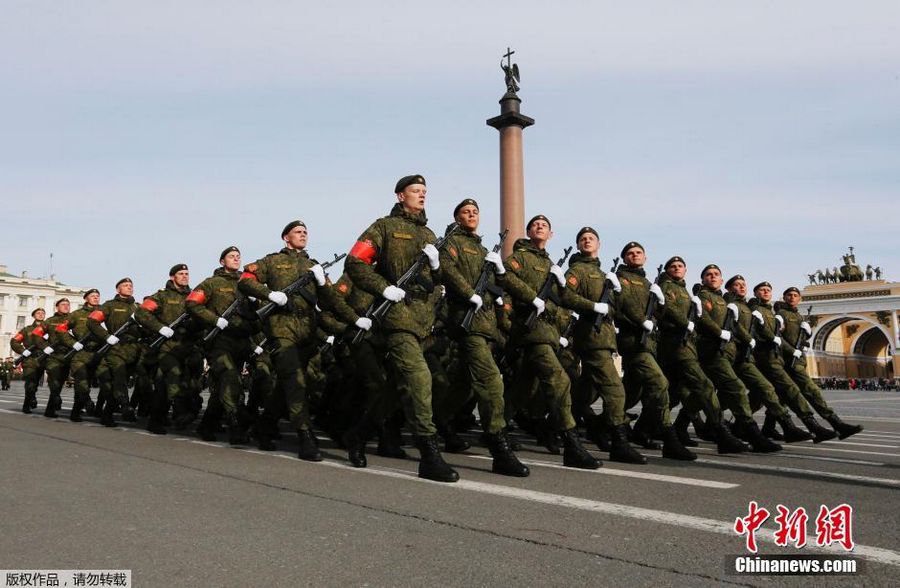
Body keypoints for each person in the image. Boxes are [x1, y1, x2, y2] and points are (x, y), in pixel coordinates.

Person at [345, 174, 462, 482]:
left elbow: (440, 282)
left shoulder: (430, 234)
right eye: (415, 191)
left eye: (424, 191)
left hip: (425, 320)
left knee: (396, 388)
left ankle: (358, 434)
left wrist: (437, 267)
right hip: (397, 318)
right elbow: (354, 263)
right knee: (420, 379)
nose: (421, 195)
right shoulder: (383, 227)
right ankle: (429, 454)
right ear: (400, 196)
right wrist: (383, 288)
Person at [434, 198, 529, 476]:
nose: (472, 215)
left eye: (475, 212)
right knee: (491, 382)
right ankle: (498, 446)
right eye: (466, 211)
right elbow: (448, 271)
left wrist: (499, 271)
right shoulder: (452, 243)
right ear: (457, 216)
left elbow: (501, 286)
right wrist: (469, 293)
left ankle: (438, 419)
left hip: (486, 325)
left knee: (463, 385)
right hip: (467, 324)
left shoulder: (484, 248)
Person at [501, 214, 600, 469]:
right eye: (535, 225)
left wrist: (594, 306)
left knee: (523, 389)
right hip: (530, 331)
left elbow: (565, 298)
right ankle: (571, 443)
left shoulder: (551, 265)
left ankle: (497, 429)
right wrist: (531, 296)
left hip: (548, 333)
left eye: (544, 226)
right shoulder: (520, 257)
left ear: (551, 234)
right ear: (528, 231)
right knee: (559, 380)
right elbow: (504, 278)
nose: (540, 228)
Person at [239, 220, 334, 459]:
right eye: (297, 232)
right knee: (295, 382)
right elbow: (245, 279)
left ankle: (265, 425)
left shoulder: (314, 266)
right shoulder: (272, 261)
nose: (303, 235)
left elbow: (329, 302)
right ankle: (304, 435)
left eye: (305, 232)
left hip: (308, 331)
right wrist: (270, 294)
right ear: (286, 238)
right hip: (282, 328)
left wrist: (322, 282)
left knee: (294, 383)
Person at [559, 227, 647, 463]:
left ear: (598, 244)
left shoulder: (603, 273)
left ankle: (554, 427)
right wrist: (592, 306)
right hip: (591, 337)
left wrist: (616, 294)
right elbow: (565, 295)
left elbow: (616, 310)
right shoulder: (576, 270)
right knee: (616, 391)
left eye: (591, 238)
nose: (587, 241)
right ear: (578, 245)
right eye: (583, 239)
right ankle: (619, 442)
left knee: (585, 392)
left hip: (605, 338)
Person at [656, 257, 747, 453]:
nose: (677, 268)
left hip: (687, 347)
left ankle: (648, 428)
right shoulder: (666, 287)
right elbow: (670, 309)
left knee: (671, 394)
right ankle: (723, 432)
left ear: (686, 270)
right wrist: (686, 322)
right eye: (672, 266)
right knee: (704, 386)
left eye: (680, 266)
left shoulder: (685, 291)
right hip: (677, 347)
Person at [615, 242, 696, 460]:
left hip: (650, 344)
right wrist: (642, 320)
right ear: (624, 258)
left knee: (631, 392)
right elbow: (624, 304)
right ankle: (670, 438)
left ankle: (608, 425)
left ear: (645, 257)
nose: (635, 255)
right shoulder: (620, 278)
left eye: (638, 253)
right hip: (633, 341)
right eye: (630, 253)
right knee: (660, 384)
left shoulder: (648, 282)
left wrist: (659, 304)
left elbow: (660, 314)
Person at [695, 265, 780, 452]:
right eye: (709, 275)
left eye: (716, 274)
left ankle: (709, 428)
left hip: (730, 353)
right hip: (712, 351)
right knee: (735, 388)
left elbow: (734, 324)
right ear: (703, 280)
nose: (713, 277)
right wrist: (720, 332)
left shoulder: (724, 301)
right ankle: (751, 432)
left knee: (704, 394)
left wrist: (749, 339)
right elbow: (704, 319)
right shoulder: (704, 297)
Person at [724, 276, 813, 443]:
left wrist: (805, 340)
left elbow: (782, 335)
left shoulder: (767, 311)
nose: (765, 292)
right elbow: (739, 328)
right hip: (749, 357)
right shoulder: (747, 307)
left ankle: (757, 427)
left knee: (762, 394)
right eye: (737, 285)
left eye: (743, 284)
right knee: (738, 392)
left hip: (763, 358)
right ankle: (726, 427)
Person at [185, 246, 259, 443]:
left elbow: (256, 313)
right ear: (222, 261)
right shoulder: (211, 284)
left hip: (241, 341)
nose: (236, 258)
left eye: (238, 256)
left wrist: (254, 301)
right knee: (230, 378)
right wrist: (214, 320)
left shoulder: (248, 283)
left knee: (223, 387)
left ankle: (206, 425)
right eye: (231, 256)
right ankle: (236, 425)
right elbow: (192, 304)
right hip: (219, 341)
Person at [748, 282, 836, 442]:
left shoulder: (781, 312)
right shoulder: (775, 312)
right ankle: (818, 426)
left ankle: (767, 427)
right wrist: (787, 346)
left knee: (767, 396)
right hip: (771, 358)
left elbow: (787, 335)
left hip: (777, 359)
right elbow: (777, 335)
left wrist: (806, 337)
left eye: (769, 290)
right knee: (783, 392)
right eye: (762, 290)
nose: (766, 292)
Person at [778, 287, 864, 439]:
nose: (792, 297)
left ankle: (765, 427)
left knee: (782, 397)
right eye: (789, 295)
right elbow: (778, 338)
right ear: (784, 297)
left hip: (799, 360)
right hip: (788, 361)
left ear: (800, 299)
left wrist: (805, 338)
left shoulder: (798, 315)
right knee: (811, 391)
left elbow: (797, 339)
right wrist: (792, 351)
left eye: (795, 295)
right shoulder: (781, 314)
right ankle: (835, 423)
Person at [89, 278, 140, 427]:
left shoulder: (137, 307)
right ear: (118, 290)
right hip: (116, 348)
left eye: (131, 285)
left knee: (118, 384)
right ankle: (125, 406)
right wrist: (106, 336)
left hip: (133, 349)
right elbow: (92, 321)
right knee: (120, 378)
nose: (129, 287)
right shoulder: (109, 305)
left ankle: (107, 414)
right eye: (125, 285)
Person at [11, 308, 49, 414]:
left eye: (43, 313)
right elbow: (14, 341)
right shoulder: (27, 330)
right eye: (38, 313)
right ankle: (27, 404)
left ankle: (32, 397)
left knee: (36, 383)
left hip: (42, 359)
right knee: (30, 382)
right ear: (33, 316)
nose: (41, 315)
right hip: (29, 359)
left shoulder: (48, 329)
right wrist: (22, 351)